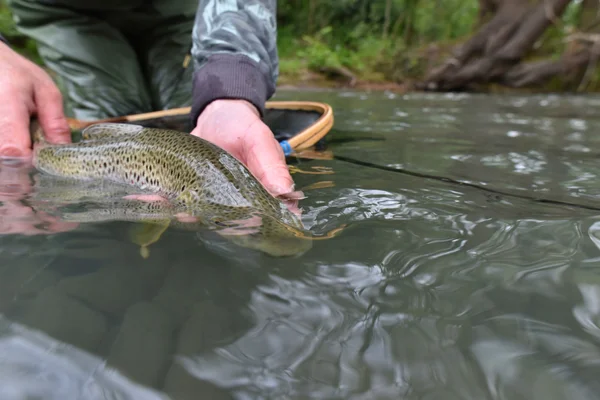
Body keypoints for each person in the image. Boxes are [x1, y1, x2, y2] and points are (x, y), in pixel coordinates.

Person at [0, 0, 295, 198]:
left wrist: (228, 92)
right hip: (64, 8)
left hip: (178, 9)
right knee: (116, 114)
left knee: (190, 123)